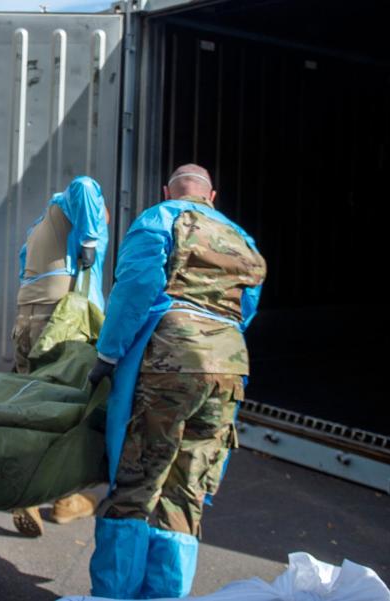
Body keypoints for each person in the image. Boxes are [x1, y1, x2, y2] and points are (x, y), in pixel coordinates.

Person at [86, 164, 266, 599]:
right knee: (187, 486)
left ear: (167, 190)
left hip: (172, 358)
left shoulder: (160, 217)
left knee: (137, 480)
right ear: (213, 196)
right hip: (229, 367)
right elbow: (248, 307)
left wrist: (108, 354)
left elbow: (136, 285)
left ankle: (114, 594)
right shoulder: (241, 237)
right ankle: (166, 594)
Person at [10, 175, 109, 537]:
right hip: (59, 322)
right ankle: (34, 492)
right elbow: (85, 185)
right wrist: (90, 242)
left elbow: (23, 265)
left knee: (30, 404)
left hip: (28, 318)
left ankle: (66, 497)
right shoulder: (72, 203)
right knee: (65, 408)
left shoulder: (40, 228)